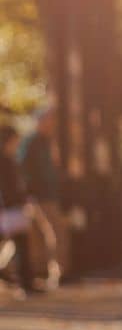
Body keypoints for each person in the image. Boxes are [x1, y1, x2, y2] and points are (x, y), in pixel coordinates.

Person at [18, 105, 66, 287]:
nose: (52, 123)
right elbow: (21, 167)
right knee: (52, 233)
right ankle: (54, 272)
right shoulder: (30, 142)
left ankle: (42, 272)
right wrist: (29, 191)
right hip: (38, 195)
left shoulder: (47, 141)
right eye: (48, 120)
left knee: (39, 234)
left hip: (49, 194)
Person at [0, 123, 34, 296]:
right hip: (8, 209)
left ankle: (25, 281)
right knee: (19, 244)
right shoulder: (4, 161)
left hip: (13, 208)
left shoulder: (11, 159)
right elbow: (9, 188)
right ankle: (23, 281)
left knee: (20, 244)